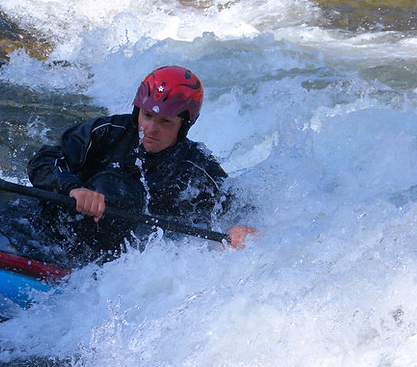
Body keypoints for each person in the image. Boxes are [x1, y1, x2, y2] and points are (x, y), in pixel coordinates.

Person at [25, 65, 256, 265]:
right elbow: (45, 161)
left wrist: (240, 228)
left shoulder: (194, 167)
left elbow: (239, 206)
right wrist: (72, 188)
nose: (151, 129)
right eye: (147, 115)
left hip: (111, 261)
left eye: (165, 121)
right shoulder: (105, 132)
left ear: (184, 126)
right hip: (53, 231)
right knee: (109, 186)